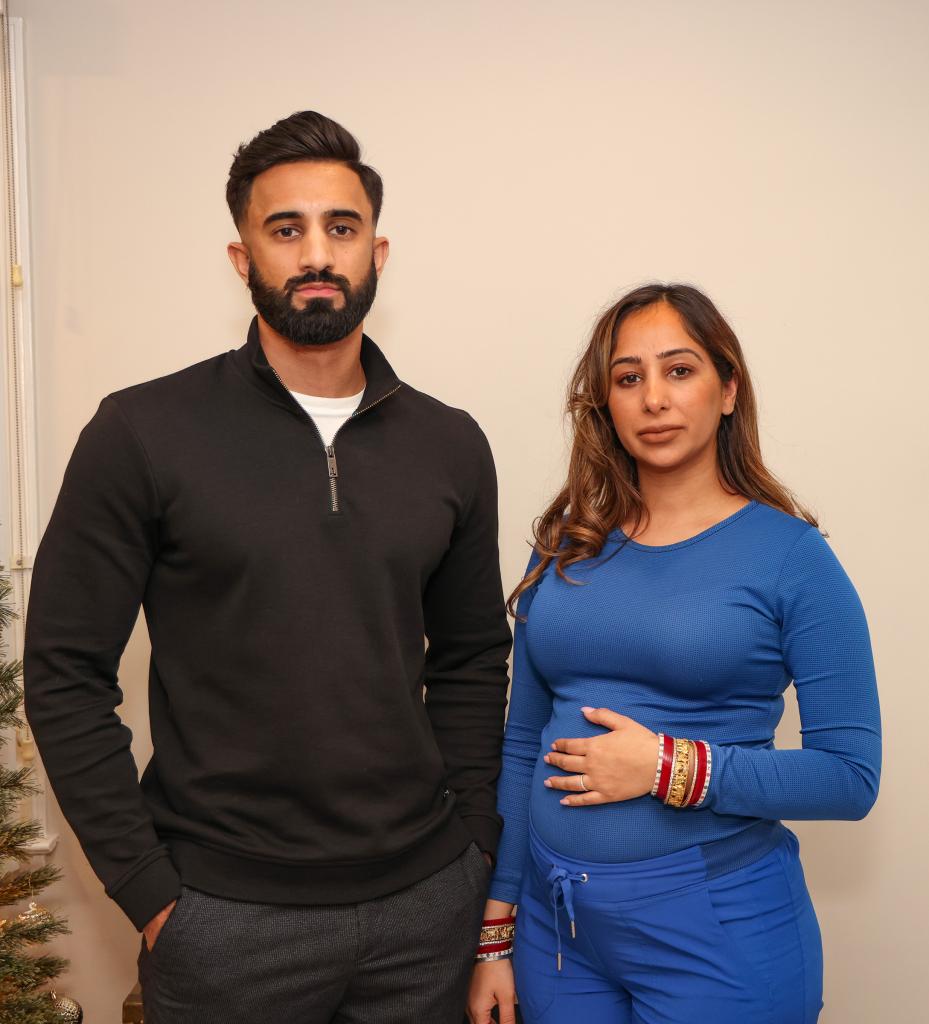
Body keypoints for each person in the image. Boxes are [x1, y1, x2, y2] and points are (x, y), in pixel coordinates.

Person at [24, 110, 511, 1024]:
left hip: (424, 910)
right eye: (284, 230)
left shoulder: (450, 445)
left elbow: (474, 659)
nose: (316, 253)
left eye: (341, 227)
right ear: (242, 258)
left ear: (379, 250)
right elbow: (61, 673)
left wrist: (475, 846)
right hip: (224, 923)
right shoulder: (141, 433)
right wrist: (152, 890)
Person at [467, 283, 880, 1024]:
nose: (652, 398)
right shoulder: (566, 545)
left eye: (678, 370)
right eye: (628, 378)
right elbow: (524, 744)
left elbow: (848, 778)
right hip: (555, 928)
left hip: (717, 929)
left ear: (727, 389)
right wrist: (496, 931)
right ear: (605, 402)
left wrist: (668, 767)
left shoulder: (790, 557)